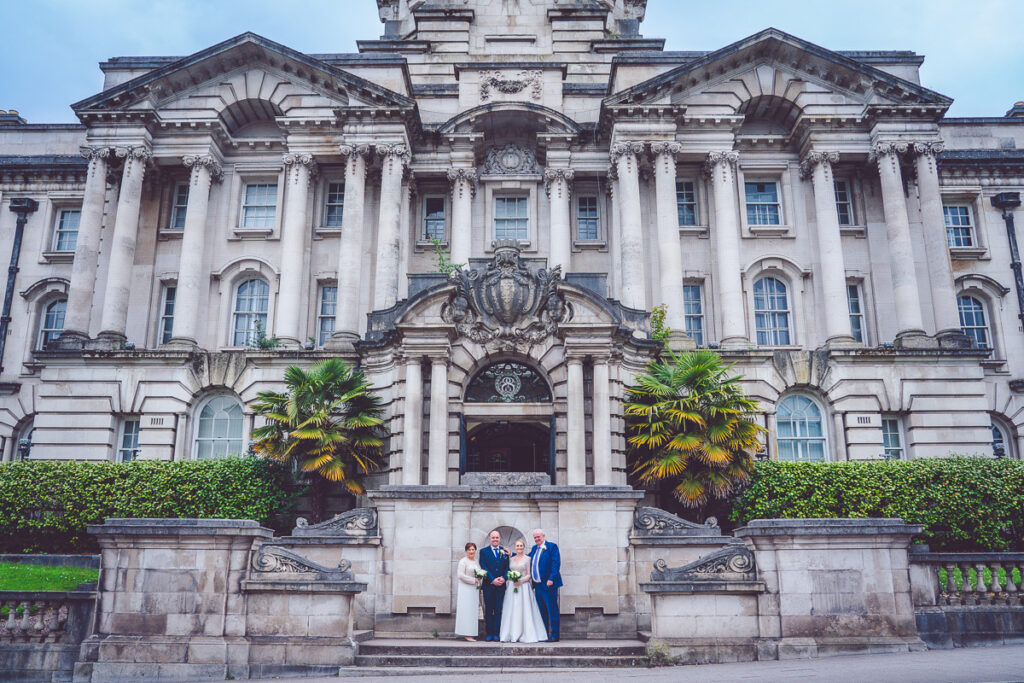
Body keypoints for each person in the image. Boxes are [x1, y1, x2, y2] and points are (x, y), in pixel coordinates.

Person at [498, 538, 548, 643]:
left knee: (524, 609)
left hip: (523, 587)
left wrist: (520, 581)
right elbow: (509, 571)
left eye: (521, 546)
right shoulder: (511, 559)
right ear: (515, 547)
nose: (519, 547)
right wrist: (512, 579)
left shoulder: (528, 559)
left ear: (524, 547)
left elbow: (529, 575)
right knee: (512, 609)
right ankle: (512, 633)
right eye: (517, 546)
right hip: (512, 587)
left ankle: (526, 632)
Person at [528, 528, 562, 641]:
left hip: (548, 585)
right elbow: (526, 559)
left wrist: (551, 578)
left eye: (538, 537)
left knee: (552, 610)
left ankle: (555, 634)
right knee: (541, 611)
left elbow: (556, 564)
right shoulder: (534, 548)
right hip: (538, 586)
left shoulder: (552, 547)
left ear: (543, 536)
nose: (537, 539)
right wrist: (513, 554)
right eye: (535, 537)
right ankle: (544, 634)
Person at [478, 529, 509, 642]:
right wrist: (492, 579)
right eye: (493, 537)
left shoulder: (504, 551)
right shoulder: (483, 551)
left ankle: (496, 633)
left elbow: (507, 567)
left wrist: (504, 578)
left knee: (499, 610)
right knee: (489, 609)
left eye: (497, 537)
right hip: (488, 585)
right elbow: (483, 566)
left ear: (499, 539)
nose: (495, 539)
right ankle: (489, 633)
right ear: (490, 539)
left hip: (501, 586)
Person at [454, 542, 483, 641]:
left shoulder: (476, 561)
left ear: (475, 550)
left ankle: (471, 632)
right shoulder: (463, 561)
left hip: (474, 590)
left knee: (472, 611)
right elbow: (460, 575)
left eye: (473, 549)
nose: (471, 551)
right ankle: (466, 633)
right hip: (465, 589)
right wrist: (473, 580)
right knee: (466, 611)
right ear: (466, 551)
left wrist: (479, 580)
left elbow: (480, 573)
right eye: (469, 549)